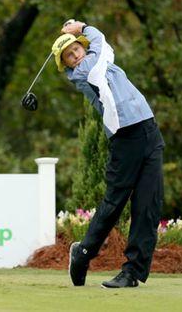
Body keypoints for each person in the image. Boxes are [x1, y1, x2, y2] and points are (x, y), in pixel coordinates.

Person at [52, 20, 165, 288]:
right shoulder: (85, 73)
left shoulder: (101, 62)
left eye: (77, 49)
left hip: (149, 129)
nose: (75, 55)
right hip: (126, 138)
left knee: (148, 204)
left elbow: (102, 48)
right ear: (67, 65)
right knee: (114, 203)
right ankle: (83, 252)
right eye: (69, 55)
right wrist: (82, 27)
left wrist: (79, 34)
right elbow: (101, 41)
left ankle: (132, 272)